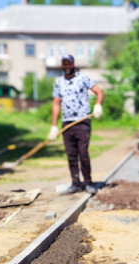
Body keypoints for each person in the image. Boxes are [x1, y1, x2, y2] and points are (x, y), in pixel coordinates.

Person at [49, 54, 104, 195]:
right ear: (62, 65)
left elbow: (99, 92)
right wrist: (54, 126)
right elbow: (56, 104)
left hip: (82, 122)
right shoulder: (59, 82)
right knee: (71, 155)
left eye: (69, 63)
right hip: (67, 123)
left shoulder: (83, 78)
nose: (67, 66)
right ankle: (75, 184)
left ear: (73, 64)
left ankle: (88, 183)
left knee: (83, 153)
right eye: (64, 64)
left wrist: (98, 105)